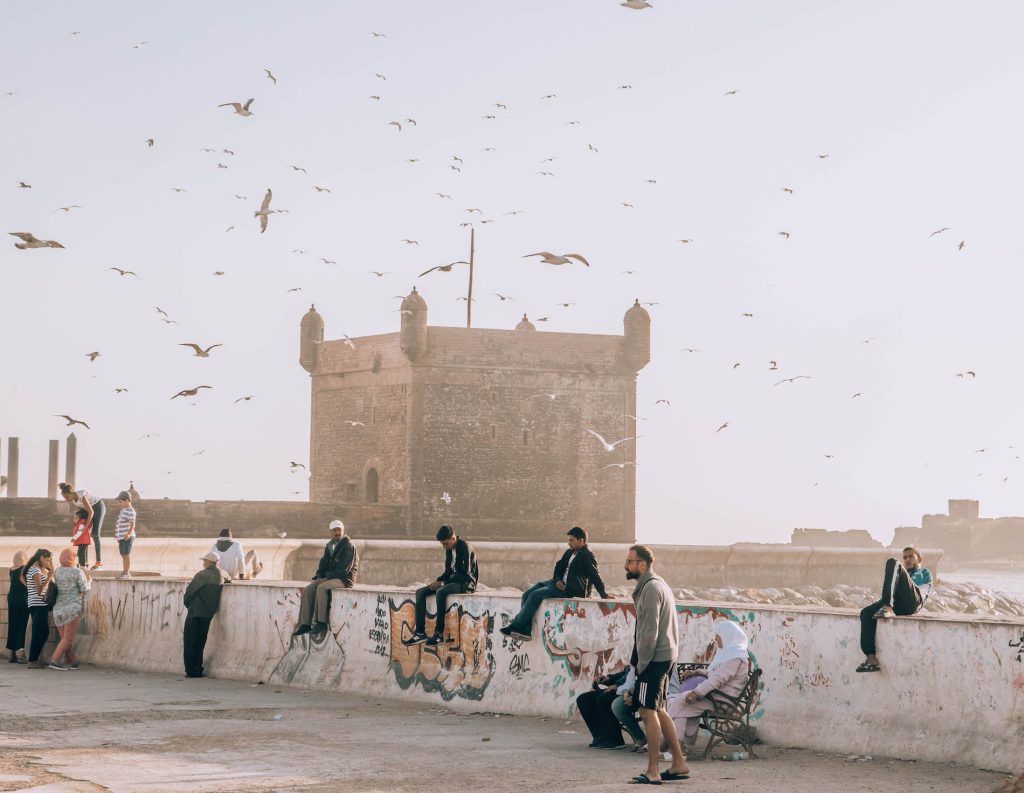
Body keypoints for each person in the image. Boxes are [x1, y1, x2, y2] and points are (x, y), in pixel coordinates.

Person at [623, 544, 689, 784]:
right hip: (665, 656)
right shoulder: (658, 584)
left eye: (630, 561)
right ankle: (679, 763)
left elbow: (649, 632)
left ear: (642, 565)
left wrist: (641, 666)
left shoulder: (650, 589)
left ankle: (653, 770)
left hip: (654, 659)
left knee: (647, 711)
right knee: (659, 709)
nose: (626, 565)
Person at [500, 526, 608, 641]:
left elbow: (595, 575)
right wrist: (557, 580)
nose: (568, 543)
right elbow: (559, 567)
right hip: (557, 584)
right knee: (526, 594)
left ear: (581, 541)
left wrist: (604, 594)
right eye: (569, 540)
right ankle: (526, 630)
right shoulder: (569, 552)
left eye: (571, 540)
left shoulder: (588, 555)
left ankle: (516, 626)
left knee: (535, 595)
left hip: (570, 590)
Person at [667, 621, 751, 751]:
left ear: (728, 635)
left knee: (679, 702)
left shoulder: (735, 656)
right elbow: (715, 673)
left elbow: (717, 679)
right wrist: (697, 672)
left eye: (719, 635)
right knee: (673, 700)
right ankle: (678, 746)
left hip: (723, 701)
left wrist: (696, 693)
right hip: (715, 697)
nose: (716, 639)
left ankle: (674, 747)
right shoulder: (730, 653)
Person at [857, 546, 933, 673]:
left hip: (914, 601)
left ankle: (888, 607)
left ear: (919, 559)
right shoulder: (900, 574)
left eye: (911, 556)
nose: (907, 560)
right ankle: (871, 658)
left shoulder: (923, 572)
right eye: (905, 557)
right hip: (898, 604)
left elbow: (909, 586)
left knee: (893, 562)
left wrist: (888, 599)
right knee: (866, 613)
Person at [402, 525, 478, 648]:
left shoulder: (464, 547)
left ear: (453, 538)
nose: (444, 547)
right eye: (442, 544)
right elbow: (448, 572)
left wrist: (442, 584)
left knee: (441, 592)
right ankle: (420, 633)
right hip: (451, 581)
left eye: (446, 544)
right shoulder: (449, 550)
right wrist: (437, 582)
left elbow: (465, 575)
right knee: (420, 592)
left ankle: (438, 634)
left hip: (466, 583)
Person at [292, 520, 358, 637]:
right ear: (330, 532)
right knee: (308, 589)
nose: (337, 533)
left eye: (339, 530)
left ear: (343, 531)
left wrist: (325, 578)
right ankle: (305, 624)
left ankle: (321, 622)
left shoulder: (348, 546)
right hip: (331, 577)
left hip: (344, 579)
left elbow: (343, 570)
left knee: (322, 588)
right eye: (335, 530)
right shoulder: (329, 546)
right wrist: (318, 577)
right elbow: (323, 565)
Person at [183, 551, 231, 678]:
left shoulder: (202, 575)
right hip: (207, 614)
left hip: (195, 613)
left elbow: (189, 593)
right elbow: (229, 580)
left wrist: (188, 605)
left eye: (204, 561)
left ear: (209, 562)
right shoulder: (222, 574)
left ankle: (190, 671)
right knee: (200, 643)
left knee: (190, 642)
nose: (203, 563)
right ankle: (198, 669)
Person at [48, 548, 91, 670]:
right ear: (72, 558)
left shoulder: (57, 571)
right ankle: (54, 661)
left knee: (64, 639)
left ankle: (73, 662)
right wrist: (89, 582)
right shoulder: (77, 572)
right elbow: (84, 590)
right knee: (68, 638)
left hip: (58, 609)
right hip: (71, 609)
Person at [577, 667, 631, 748]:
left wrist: (617, 684)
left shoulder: (641, 659)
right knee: (583, 699)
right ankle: (600, 737)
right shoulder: (632, 662)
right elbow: (623, 674)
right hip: (619, 689)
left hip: (630, 692)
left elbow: (632, 676)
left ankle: (616, 740)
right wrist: (608, 679)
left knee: (604, 699)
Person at [59, 483, 106, 570]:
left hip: (98, 506)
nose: (66, 499)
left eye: (67, 497)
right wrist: (76, 522)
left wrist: (85, 528)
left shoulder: (81, 495)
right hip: (89, 509)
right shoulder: (73, 500)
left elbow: (91, 512)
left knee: (95, 534)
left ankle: (99, 563)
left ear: (71, 493)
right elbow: (80, 510)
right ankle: (84, 563)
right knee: (83, 537)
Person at [22, 549, 54, 669]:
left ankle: (36, 658)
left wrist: (49, 569)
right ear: (41, 557)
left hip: (41, 604)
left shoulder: (39, 569)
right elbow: (39, 590)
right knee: (37, 633)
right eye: (47, 559)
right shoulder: (35, 570)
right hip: (37, 604)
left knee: (44, 631)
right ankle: (32, 661)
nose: (48, 562)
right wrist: (49, 577)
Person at [611, 665, 648, 748]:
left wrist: (635, 695)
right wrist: (627, 692)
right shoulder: (638, 659)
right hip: (640, 691)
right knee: (618, 705)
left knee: (646, 705)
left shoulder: (662, 657)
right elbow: (630, 679)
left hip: (657, 692)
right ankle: (640, 737)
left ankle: (656, 741)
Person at [6, 550, 29, 664]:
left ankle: (12, 653)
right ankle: (20, 653)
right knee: (22, 625)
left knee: (13, 625)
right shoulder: (24, 569)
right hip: (22, 600)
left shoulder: (12, 570)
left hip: (11, 599)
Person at [113, 490, 137, 579]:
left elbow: (132, 524)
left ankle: (127, 572)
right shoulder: (123, 510)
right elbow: (120, 524)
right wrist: (118, 536)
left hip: (128, 536)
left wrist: (128, 534)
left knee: (126, 554)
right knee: (123, 554)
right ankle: (125, 571)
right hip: (122, 537)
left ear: (127, 500)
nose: (119, 503)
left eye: (120, 501)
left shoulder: (130, 511)